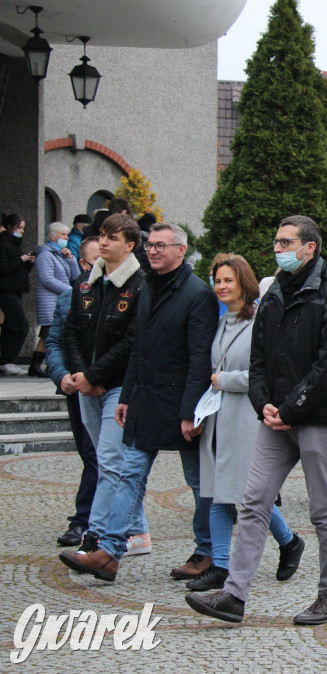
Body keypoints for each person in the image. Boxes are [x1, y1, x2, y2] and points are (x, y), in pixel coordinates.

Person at [185, 215, 327, 625]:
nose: (278, 249)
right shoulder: (275, 291)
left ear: (309, 247)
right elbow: (260, 359)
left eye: (285, 242)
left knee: (323, 511)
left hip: (318, 417)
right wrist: (265, 405)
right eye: (276, 242)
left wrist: (291, 409)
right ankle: (233, 596)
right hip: (275, 418)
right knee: (253, 501)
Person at [59, 222, 219, 583]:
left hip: (181, 404)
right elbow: (138, 349)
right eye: (151, 245)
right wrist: (127, 396)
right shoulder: (146, 287)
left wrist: (190, 413)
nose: (154, 251)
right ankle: (110, 552)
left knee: (198, 483)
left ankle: (207, 552)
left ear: (181, 250)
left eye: (163, 246)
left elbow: (199, 360)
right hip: (146, 399)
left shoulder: (197, 294)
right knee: (129, 475)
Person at [189, 254, 305, 593]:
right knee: (216, 492)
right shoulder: (222, 320)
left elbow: (264, 372)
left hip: (244, 415)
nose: (221, 286)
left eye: (228, 280)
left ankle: (287, 541)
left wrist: (225, 380)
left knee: (245, 492)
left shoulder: (260, 321)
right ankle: (222, 564)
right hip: (217, 416)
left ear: (243, 282)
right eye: (217, 280)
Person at [59, 215, 148, 557]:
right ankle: (137, 531)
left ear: (129, 245)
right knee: (105, 459)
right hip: (87, 386)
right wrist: (82, 376)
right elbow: (70, 331)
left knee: (110, 462)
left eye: (113, 237)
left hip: (119, 387)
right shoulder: (86, 283)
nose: (104, 242)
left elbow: (131, 342)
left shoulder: (140, 285)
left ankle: (95, 537)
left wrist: (95, 376)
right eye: (102, 235)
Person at [46, 236, 99, 547]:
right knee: (88, 453)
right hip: (74, 387)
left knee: (97, 454)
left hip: (105, 386)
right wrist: (61, 375)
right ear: (83, 264)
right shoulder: (69, 297)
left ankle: (85, 520)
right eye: (97, 263)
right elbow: (54, 342)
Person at [31, 222, 81, 377]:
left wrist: (71, 259)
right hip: (50, 300)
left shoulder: (59, 254)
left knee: (50, 333)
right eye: (63, 235)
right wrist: (70, 291)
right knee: (48, 333)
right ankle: (36, 365)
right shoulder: (45, 254)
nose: (66, 238)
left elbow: (75, 276)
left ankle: (43, 364)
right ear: (53, 236)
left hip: (60, 299)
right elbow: (47, 279)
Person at [0, 213, 34, 375]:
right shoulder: (4, 243)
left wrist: (27, 263)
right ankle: (6, 359)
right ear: (10, 227)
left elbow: (16, 271)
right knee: (20, 324)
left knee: (11, 325)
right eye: (19, 227)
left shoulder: (14, 244)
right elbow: (4, 269)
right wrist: (21, 260)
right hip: (5, 290)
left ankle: (6, 360)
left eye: (23, 228)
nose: (21, 231)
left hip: (14, 289)